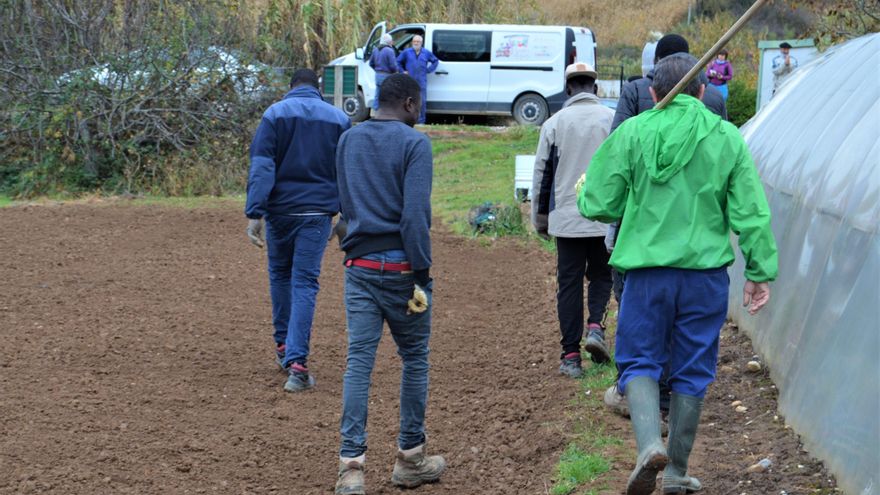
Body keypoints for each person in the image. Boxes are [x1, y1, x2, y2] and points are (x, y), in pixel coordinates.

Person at [577, 52, 778, 495]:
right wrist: (759, 270)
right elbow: (750, 212)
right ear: (703, 90)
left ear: (653, 93)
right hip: (704, 278)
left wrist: (589, 195)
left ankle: (650, 444)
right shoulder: (726, 137)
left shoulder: (634, 132)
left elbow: (600, 204)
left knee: (639, 360)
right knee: (692, 370)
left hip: (646, 275)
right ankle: (675, 472)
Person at [603, 33, 731, 419]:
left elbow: (612, 161)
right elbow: (723, 164)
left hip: (643, 236)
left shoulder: (636, 97)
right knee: (689, 338)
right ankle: (672, 425)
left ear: (654, 82)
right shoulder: (714, 103)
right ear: (701, 80)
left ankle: (642, 404)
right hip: (699, 239)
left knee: (639, 326)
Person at [333, 73, 445, 495]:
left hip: (358, 265)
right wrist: (422, 273)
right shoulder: (415, 144)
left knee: (358, 361)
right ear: (411, 104)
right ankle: (410, 459)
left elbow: (344, 209)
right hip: (401, 269)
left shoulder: (348, 140)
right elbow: (414, 217)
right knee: (414, 357)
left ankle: (351, 469)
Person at [245, 68, 351, 392]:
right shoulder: (338, 119)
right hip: (317, 215)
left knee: (280, 275)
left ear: (290, 87)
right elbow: (347, 169)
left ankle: (283, 348)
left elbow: (263, 165)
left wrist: (255, 212)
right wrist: (347, 215)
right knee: (305, 282)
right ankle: (298, 365)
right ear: (317, 88)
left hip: (280, 213)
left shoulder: (274, 114)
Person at [531, 62, 615, 378]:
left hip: (567, 219)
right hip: (604, 218)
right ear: (594, 88)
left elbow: (542, 175)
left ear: (568, 89)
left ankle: (570, 357)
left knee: (569, 284)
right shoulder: (611, 119)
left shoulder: (554, 124)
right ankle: (596, 327)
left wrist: (540, 220)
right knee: (602, 276)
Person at [396, 35, 439, 124]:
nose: (416, 43)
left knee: (421, 102)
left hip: (421, 81)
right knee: (408, 101)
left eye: (418, 41)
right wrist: (402, 71)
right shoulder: (407, 52)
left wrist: (429, 70)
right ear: (412, 42)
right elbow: (397, 62)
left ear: (421, 43)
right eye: (414, 41)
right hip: (409, 81)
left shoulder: (426, 53)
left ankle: (421, 121)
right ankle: (408, 120)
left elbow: (435, 61)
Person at [369, 33, 398, 111]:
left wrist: (377, 70)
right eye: (391, 41)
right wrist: (396, 71)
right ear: (389, 42)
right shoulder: (389, 51)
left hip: (377, 75)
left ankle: (375, 112)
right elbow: (393, 66)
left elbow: (370, 63)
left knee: (377, 94)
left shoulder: (375, 50)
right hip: (387, 76)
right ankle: (387, 112)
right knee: (388, 95)